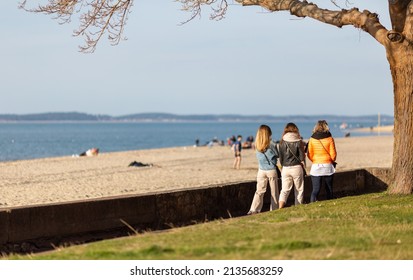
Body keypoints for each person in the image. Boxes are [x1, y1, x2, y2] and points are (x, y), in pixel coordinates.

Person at [247, 125, 279, 214]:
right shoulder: (271, 144)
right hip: (271, 169)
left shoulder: (256, 144)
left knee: (259, 191)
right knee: (274, 192)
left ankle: (254, 209)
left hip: (261, 170)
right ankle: (274, 209)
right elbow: (278, 154)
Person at [307, 120, 337, 202]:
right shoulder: (330, 138)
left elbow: (309, 154)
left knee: (315, 190)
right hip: (327, 166)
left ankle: (312, 204)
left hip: (316, 166)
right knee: (329, 189)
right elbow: (333, 155)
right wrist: (329, 160)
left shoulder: (312, 139)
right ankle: (330, 203)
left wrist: (315, 160)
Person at [278, 123, 305, 208]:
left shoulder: (282, 141)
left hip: (285, 168)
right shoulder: (298, 141)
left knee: (284, 190)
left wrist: (283, 166)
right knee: (299, 190)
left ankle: (280, 208)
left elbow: (281, 158)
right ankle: (298, 207)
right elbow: (301, 157)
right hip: (296, 167)